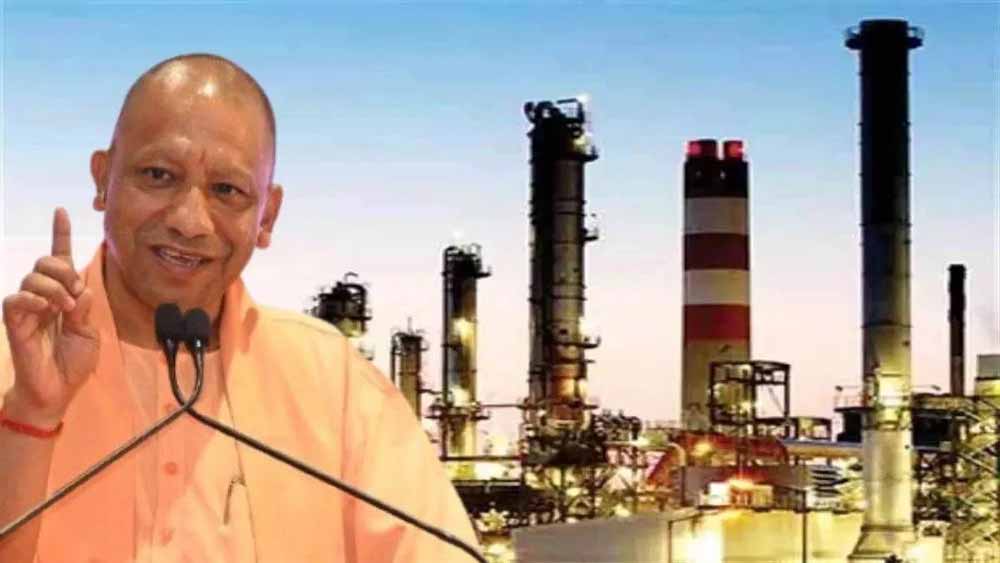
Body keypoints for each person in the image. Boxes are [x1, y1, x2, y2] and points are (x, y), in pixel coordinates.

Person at [0, 53, 479, 562]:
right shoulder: (15, 362)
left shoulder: (332, 383)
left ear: (266, 216)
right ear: (102, 179)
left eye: (227, 190)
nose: (189, 220)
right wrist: (31, 417)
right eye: (159, 175)